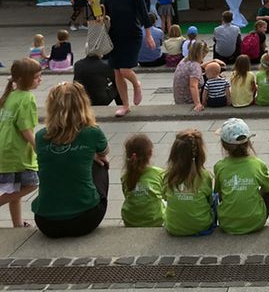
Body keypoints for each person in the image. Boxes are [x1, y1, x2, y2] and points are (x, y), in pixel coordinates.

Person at [32, 82, 110, 237]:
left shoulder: (40, 136)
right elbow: (104, 153)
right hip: (85, 219)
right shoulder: (92, 132)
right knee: (101, 163)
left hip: (45, 222)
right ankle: (85, 199)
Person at [103, 0, 155, 117]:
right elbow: (104, 14)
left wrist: (148, 34)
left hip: (132, 35)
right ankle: (125, 105)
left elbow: (144, 14)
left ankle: (136, 84)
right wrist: (95, 8)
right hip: (114, 36)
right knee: (117, 72)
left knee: (125, 69)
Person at [214, 118, 269, 235]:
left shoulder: (219, 167)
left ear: (224, 145)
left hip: (226, 224)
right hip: (255, 223)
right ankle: (258, 218)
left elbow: (219, 192)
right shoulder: (257, 164)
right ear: (248, 142)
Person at [0, 59, 40, 228]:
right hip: (17, 151)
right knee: (32, 183)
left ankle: (17, 224)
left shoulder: (12, 94)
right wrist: (39, 148)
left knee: (14, 189)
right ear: (25, 79)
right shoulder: (27, 98)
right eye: (37, 77)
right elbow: (26, 130)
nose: (40, 80)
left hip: (5, 148)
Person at [163, 129, 214, 236]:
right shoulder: (204, 176)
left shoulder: (168, 176)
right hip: (201, 225)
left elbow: (165, 197)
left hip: (173, 227)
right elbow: (209, 200)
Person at [121, 133, 164, 227]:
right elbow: (165, 194)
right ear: (150, 153)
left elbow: (126, 194)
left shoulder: (125, 176)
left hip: (130, 220)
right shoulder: (158, 173)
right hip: (155, 220)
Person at [173, 40, 209, 112]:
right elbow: (193, 86)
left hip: (179, 97)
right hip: (188, 99)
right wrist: (197, 104)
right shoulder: (195, 66)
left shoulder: (185, 60)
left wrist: (212, 62)